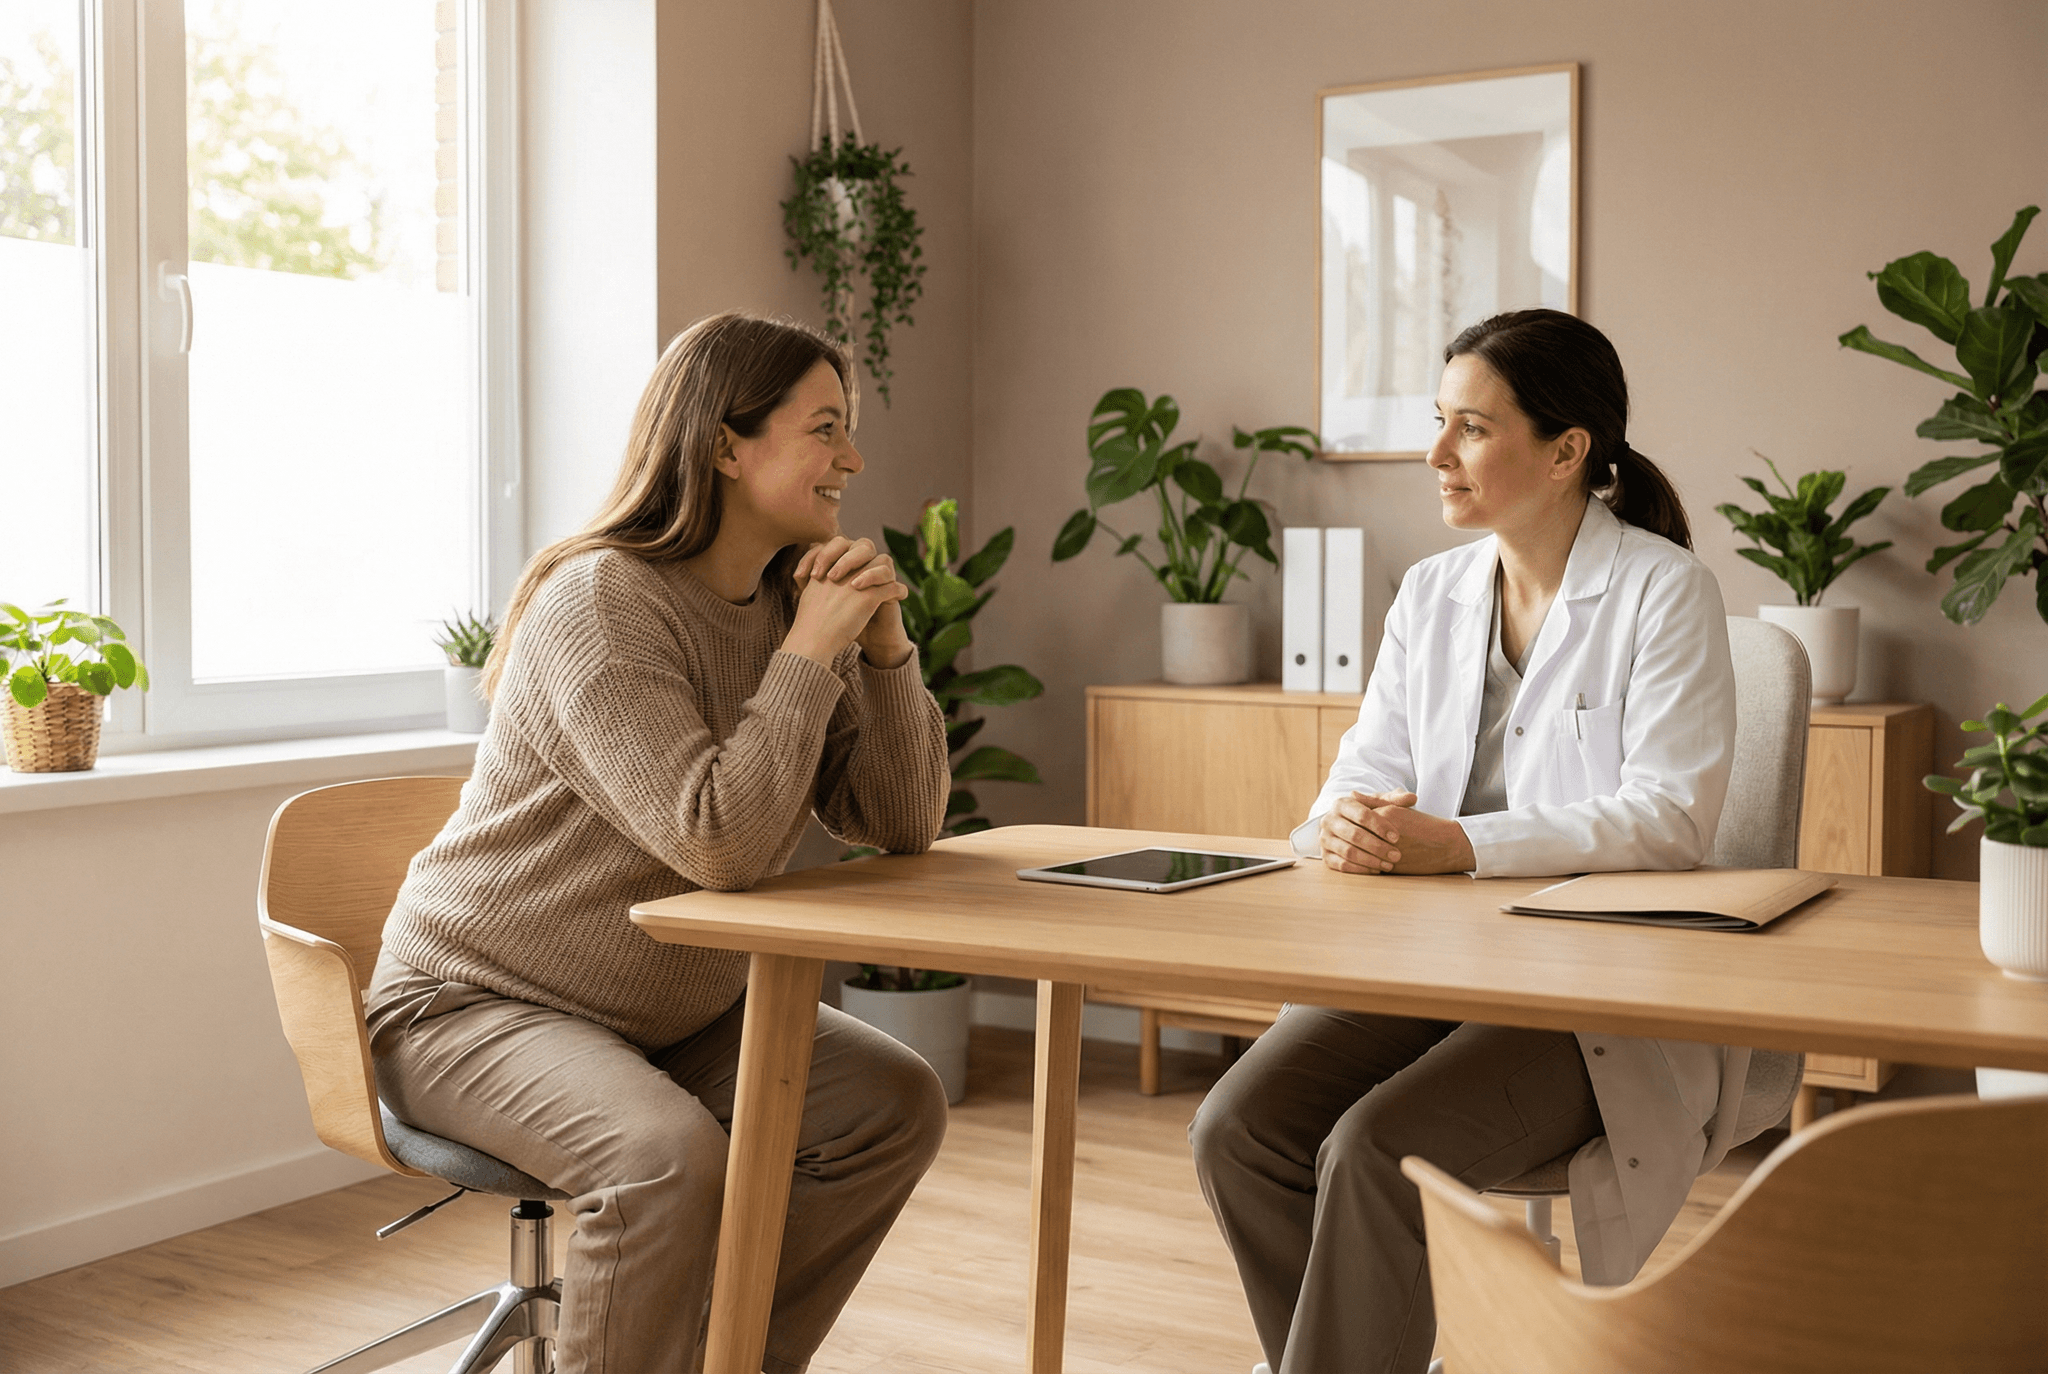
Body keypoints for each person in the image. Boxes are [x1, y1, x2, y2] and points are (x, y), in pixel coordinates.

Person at [364, 312, 953, 1374]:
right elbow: (716, 841)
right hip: (477, 1006)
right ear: (727, 445)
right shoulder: (601, 602)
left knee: (887, 1105)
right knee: (663, 1158)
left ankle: (717, 1361)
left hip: (667, 1011)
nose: (852, 460)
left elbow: (899, 823)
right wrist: (809, 656)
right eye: (824, 428)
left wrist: (880, 646)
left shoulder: (786, 603)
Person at [1189, 309, 1744, 1374]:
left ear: (1566, 449)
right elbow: (1359, 772)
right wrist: (1340, 822)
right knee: (1235, 1134)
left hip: (1585, 994)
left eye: (1471, 429)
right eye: (1437, 422)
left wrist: (1462, 846)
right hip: (1420, 967)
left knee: (1371, 1150)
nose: (1434, 455)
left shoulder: (1663, 593)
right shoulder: (1431, 594)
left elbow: (1668, 821)